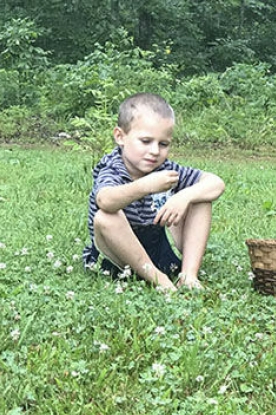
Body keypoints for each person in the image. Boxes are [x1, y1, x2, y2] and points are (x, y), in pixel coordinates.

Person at [82, 92, 225, 291]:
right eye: (146, 141)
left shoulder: (164, 169)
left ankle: (189, 275)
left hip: (157, 251)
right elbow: (105, 200)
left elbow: (216, 183)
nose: (155, 151)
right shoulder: (113, 168)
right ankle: (160, 280)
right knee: (106, 217)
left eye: (163, 144)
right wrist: (145, 186)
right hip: (115, 260)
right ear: (120, 137)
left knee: (200, 198)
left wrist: (185, 196)